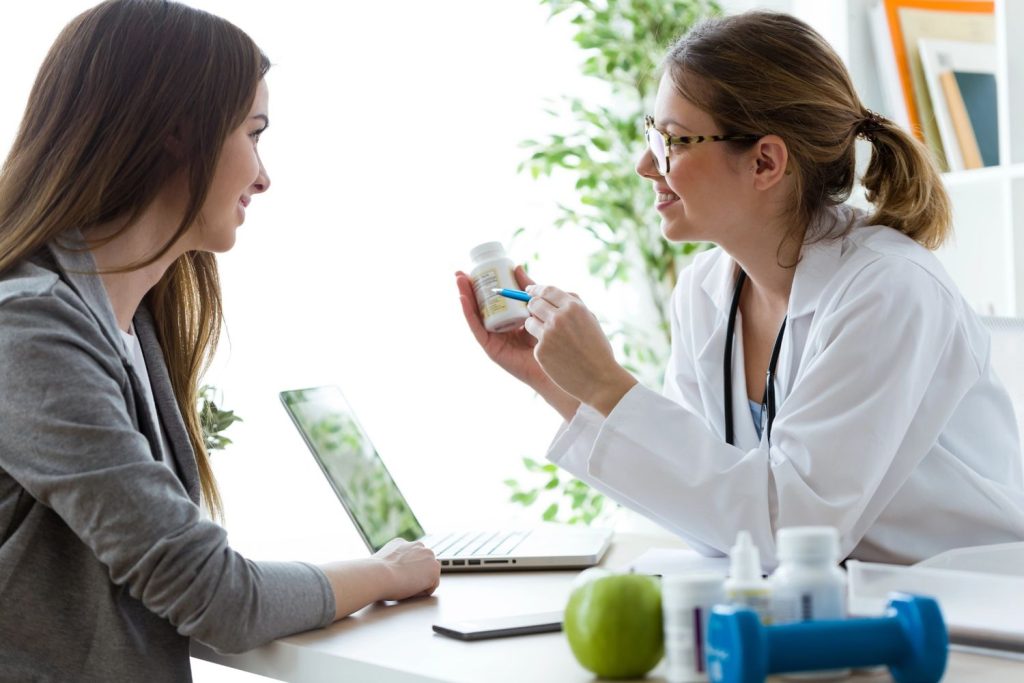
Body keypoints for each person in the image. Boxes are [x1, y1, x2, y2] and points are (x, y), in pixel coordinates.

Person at [456, 10, 1024, 567]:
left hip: (969, 616)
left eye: (673, 140)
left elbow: (793, 531)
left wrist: (608, 383)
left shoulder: (891, 290)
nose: (644, 165)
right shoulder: (705, 292)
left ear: (764, 162)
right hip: (836, 606)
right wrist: (556, 380)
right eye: (652, 134)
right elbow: (712, 514)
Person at [0, 2, 439, 680]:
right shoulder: (28, 331)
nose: (263, 176)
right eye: (253, 133)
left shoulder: (130, 322)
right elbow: (216, 596)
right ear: (180, 132)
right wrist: (385, 571)